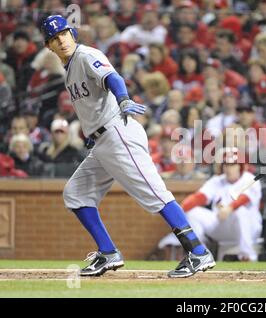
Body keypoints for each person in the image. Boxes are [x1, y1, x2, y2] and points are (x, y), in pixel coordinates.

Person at [41, 15, 215, 277]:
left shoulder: (86, 55)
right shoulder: (70, 69)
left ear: (72, 34)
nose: (61, 40)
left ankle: (198, 252)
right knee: (75, 194)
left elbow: (113, 78)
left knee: (155, 194)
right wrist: (91, 132)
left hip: (118, 133)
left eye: (64, 34)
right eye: (54, 38)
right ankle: (108, 253)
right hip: (102, 140)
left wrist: (123, 99)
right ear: (49, 47)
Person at [158, 147, 262, 261]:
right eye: (226, 165)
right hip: (221, 224)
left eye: (233, 165)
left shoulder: (249, 178)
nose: (229, 168)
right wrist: (180, 210)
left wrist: (230, 208)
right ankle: (202, 255)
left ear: (241, 166)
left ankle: (247, 256)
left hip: (250, 227)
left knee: (241, 212)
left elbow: (244, 198)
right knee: (193, 213)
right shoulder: (217, 180)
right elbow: (199, 197)